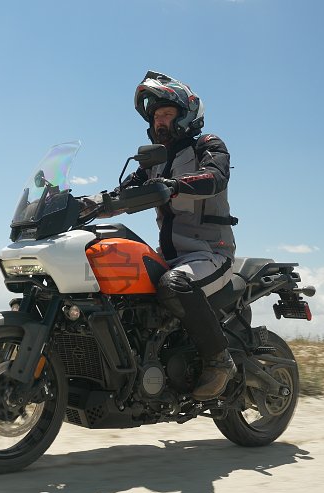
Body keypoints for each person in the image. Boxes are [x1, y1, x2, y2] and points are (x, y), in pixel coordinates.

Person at [83, 71, 237, 401]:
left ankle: (220, 361)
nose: (160, 122)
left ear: (186, 115)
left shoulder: (207, 145)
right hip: (169, 257)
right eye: (155, 117)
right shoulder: (154, 161)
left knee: (175, 285)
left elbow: (216, 177)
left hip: (209, 253)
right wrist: (86, 205)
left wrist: (176, 185)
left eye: (167, 114)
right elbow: (121, 194)